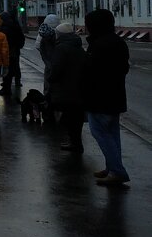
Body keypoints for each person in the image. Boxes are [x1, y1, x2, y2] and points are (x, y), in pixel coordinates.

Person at [83, 9, 130, 186]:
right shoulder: (118, 42)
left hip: (100, 97)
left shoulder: (99, 45)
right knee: (112, 134)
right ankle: (112, 167)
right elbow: (124, 68)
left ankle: (117, 170)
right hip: (115, 95)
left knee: (101, 133)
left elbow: (90, 71)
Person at [48, 22, 88, 154]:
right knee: (76, 117)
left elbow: (56, 68)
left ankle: (75, 144)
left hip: (65, 88)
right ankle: (76, 143)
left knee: (68, 118)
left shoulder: (61, 48)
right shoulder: (77, 46)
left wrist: (51, 79)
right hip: (79, 87)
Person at [35, 13, 60, 123]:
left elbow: (38, 46)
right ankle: (58, 113)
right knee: (59, 89)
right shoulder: (60, 32)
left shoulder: (42, 32)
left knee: (48, 88)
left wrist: (46, 60)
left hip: (48, 65)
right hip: (59, 65)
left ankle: (48, 113)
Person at [0, 10, 26, 100]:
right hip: (15, 51)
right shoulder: (15, 25)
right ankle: (16, 82)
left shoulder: (3, 28)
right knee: (15, 67)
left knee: (6, 70)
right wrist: (18, 46)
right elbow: (21, 37)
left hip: (7, 52)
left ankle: (6, 88)